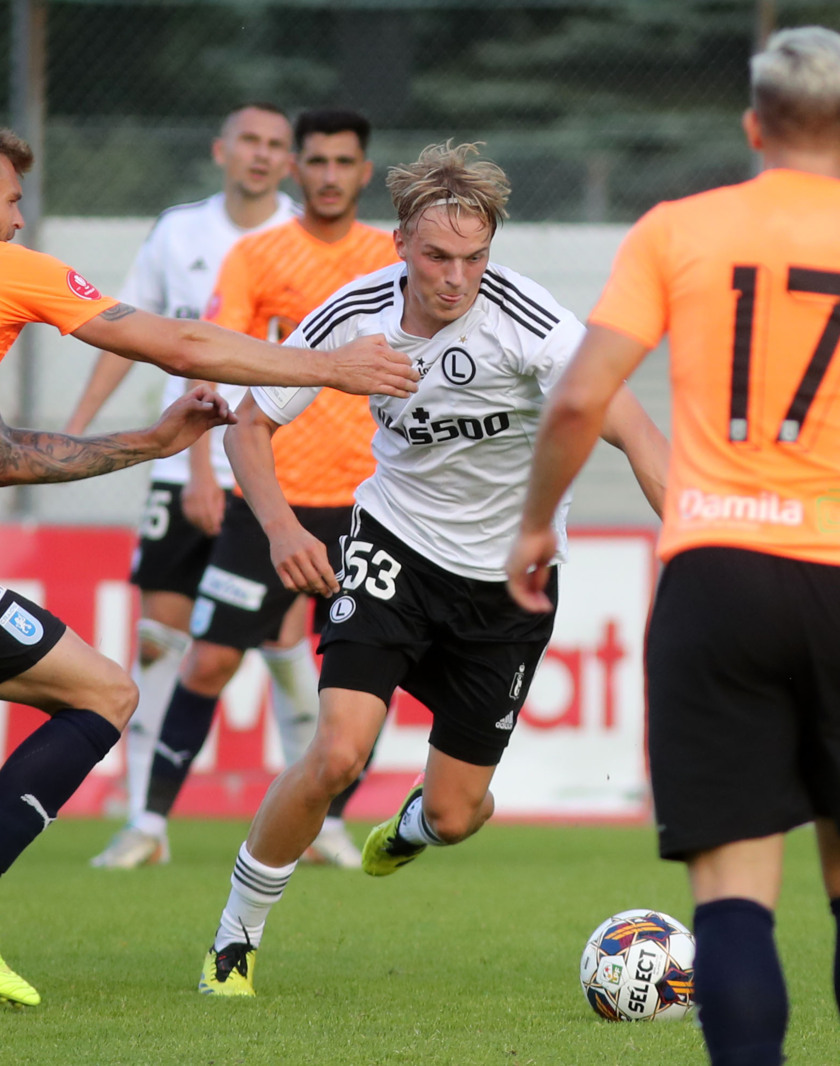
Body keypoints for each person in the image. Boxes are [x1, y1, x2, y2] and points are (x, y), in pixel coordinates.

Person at [0, 111, 417, 1006]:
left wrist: (153, 441)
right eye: (11, 199)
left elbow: (3, 456)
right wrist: (328, 368)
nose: (22, 220)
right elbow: (178, 342)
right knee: (106, 692)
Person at [505, 27, 840, 1066]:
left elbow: (581, 395)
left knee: (730, 889)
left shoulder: (677, 231)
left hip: (715, 574)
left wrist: (535, 522)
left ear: (753, 126)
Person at [197, 141, 668, 995]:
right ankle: (236, 938)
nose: (457, 278)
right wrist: (276, 529)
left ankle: (414, 826)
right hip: (392, 549)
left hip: (510, 583)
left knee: (458, 814)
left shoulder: (529, 322)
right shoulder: (355, 313)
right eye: (438, 257)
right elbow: (248, 423)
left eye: (476, 258)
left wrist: (700, 539)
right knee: (338, 751)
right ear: (401, 247)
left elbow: (634, 429)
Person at [94, 108, 399, 871]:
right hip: (272, 502)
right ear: (300, 169)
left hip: (376, 506)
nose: (329, 174)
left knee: (364, 673)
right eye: (318, 160)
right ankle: (148, 822)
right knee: (208, 662)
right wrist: (202, 466)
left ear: (365, 173)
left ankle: (325, 821)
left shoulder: (395, 263)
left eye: (344, 162)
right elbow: (216, 360)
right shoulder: (259, 257)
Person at [62, 104, 301, 866]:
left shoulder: (302, 241)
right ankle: (145, 823)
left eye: (275, 146)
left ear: (289, 162)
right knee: (163, 642)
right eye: (249, 143)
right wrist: (78, 427)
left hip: (273, 475)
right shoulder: (178, 233)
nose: (260, 157)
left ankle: (317, 821)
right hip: (182, 468)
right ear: (220, 150)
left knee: (284, 640)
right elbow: (124, 328)